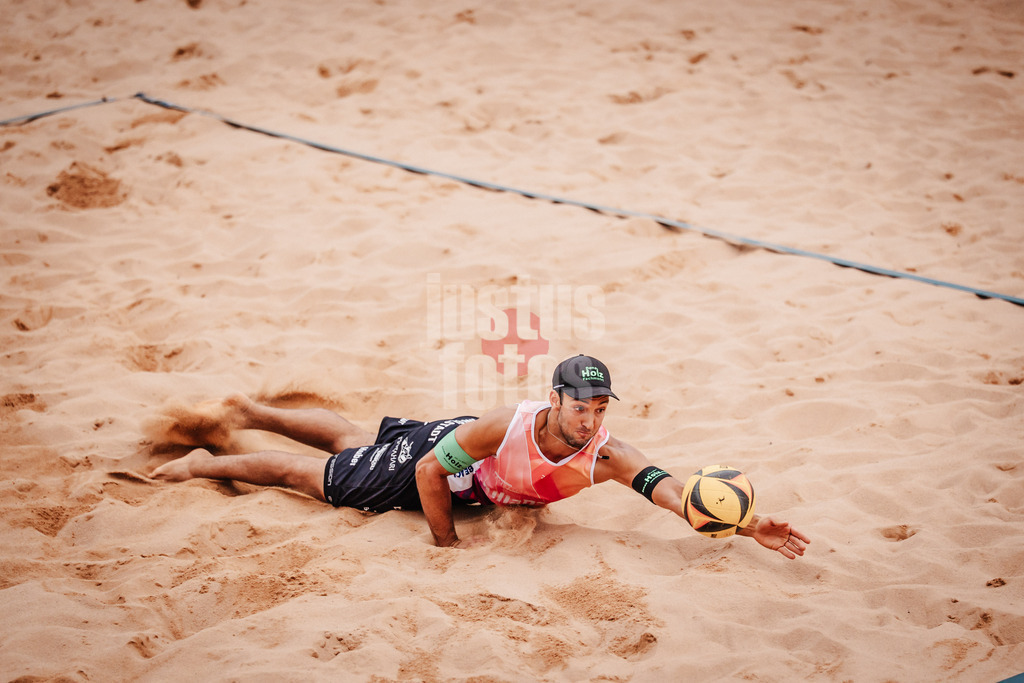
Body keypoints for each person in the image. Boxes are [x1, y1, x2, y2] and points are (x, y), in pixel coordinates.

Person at [151, 355, 810, 558]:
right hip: (453, 459)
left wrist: (747, 524)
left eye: (600, 407)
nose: (590, 419)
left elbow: (672, 494)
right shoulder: (509, 423)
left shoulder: (608, 455)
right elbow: (428, 471)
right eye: (581, 406)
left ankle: (250, 411)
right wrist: (444, 542)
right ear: (555, 399)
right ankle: (203, 463)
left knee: (355, 440)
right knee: (318, 477)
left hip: (463, 452)